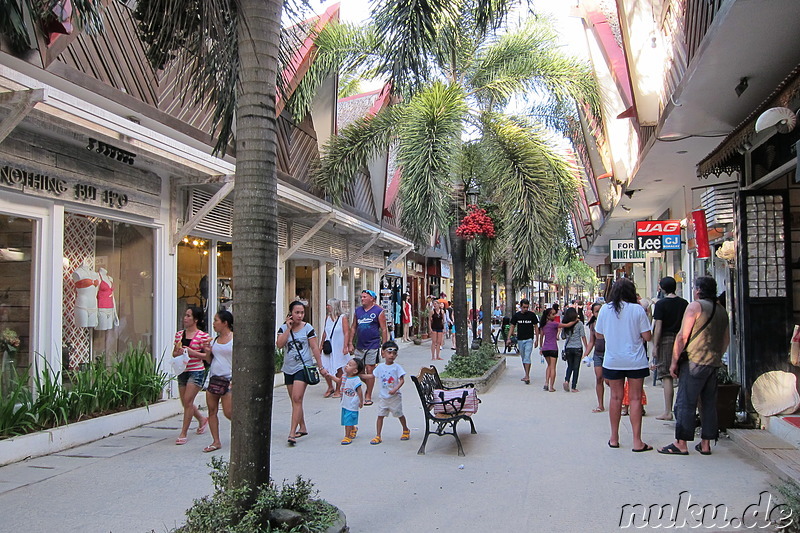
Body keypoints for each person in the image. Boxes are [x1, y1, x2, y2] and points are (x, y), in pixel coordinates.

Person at [659, 276, 729, 456]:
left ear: (698, 290)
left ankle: (681, 442)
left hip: (694, 362)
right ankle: (706, 444)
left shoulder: (695, 307)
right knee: (708, 404)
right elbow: (726, 339)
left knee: (685, 402)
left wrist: (674, 362)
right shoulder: (721, 310)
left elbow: (682, 336)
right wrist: (717, 356)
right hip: (712, 362)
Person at [595, 278, 653, 452]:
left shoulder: (605, 309)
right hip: (635, 360)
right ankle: (637, 441)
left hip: (613, 360)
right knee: (635, 399)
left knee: (615, 398)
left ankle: (614, 437)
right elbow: (647, 336)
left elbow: (598, 335)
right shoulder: (637, 310)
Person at [277, 301, 324, 446]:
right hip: (288, 368)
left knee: (297, 398)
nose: (299, 315)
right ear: (290, 313)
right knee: (294, 400)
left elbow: (314, 347)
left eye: (302, 312)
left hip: (303, 367)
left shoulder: (307, 328)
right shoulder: (284, 328)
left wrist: (320, 366)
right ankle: (302, 426)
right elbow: (279, 344)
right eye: (297, 312)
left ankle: (292, 432)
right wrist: (288, 329)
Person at [651, 276, 688, 421]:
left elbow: (658, 326)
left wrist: (656, 344)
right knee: (682, 373)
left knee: (667, 376)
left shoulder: (661, 304)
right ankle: (683, 408)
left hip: (666, 340)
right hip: (682, 339)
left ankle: (668, 411)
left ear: (663, 288)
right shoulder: (684, 303)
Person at [172, 306, 210, 446]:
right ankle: (201, 419)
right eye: (185, 315)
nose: (185, 318)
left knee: (188, 400)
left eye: (188, 316)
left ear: (195, 320)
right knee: (185, 402)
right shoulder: (179, 335)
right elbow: (174, 353)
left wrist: (192, 352)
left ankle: (183, 432)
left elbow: (207, 356)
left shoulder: (203, 336)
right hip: (182, 370)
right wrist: (179, 352)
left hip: (196, 370)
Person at [347, 289, 386, 405]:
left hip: (373, 345)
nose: (362, 299)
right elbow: (353, 327)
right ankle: (365, 384)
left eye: (365, 297)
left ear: (372, 299)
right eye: (362, 297)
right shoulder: (358, 311)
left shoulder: (378, 311)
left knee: (370, 368)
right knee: (358, 370)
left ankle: (368, 394)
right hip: (360, 345)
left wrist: (384, 346)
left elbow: (384, 329)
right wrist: (350, 343)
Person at [201, 310, 233, 453]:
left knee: (229, 412)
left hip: (229, 379)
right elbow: (209, 360)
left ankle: (243, 432)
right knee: (212, 411)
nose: (213, 324)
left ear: (225, 323)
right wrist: (207, 352)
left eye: (216, 320)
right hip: (214, 378)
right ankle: (216, 441)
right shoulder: (214, 340)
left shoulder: (234, 339)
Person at [370, 340, 411, 444]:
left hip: (395, 398)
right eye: (389, 353)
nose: (391, 355)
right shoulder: (379, 367)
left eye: (394, 353)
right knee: (380, 416)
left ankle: (405, 429)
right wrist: (359, 375)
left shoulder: (397, 367)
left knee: (399, 414)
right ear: (383, 353)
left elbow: (402, 380)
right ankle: (378, 435)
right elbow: (372, 376)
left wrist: (395, 389)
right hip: (383, 398)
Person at [325, 357, 364, 445]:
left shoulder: (356, 379)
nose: (346, 366)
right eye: (347, 364)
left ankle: (347, 436)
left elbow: (359, 391)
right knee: (346, 418)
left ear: (355, 371)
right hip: (345, 402)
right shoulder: (344, 376)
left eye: (350, 365)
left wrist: (361, 401)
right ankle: (353, 429)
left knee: (348, 419)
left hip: (352, 403)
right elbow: (338, 381)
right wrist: (330, 376)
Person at [537, 307, 578, 391]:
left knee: (548, 366)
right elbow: (566, 325)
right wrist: (575, 321)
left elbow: (541, 337)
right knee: (553, 367)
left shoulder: (543, 325)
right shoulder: (554, 324)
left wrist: (541, 348)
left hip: (545, 348)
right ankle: (551, 386)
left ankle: (546, 383)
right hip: (553, 348)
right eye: (553, 314)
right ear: (548, 316)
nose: (555, 315)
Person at [321, 298, 350, 398]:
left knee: (339, 368)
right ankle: (330, 386)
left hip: (338, 345)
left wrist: (345, 346)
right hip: (329, 346)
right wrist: (321, 344)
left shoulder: (342, 318)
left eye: (329, 305)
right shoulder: (327, 318)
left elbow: (346, 332)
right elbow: (325, 332)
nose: (327, 307)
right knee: (325, 367)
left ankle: (338, 389)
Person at [506, 298, 539, 384]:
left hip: (529, 339)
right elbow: (512, 326)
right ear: (520, 306)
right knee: (524, 357)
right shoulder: (517, 316)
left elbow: (536, 326)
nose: (525, 309)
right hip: (520, 339)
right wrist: (509, 338)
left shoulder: (532, 315)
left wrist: (537, 340)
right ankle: (526, 374)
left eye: (527, 307)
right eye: (524, 307)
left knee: (527, 356)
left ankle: (527, 376)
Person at [584, 302, 606, 412]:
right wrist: (585, 354)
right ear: (592, 313)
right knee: (599, 378)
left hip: (608, 354)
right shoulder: (592, 325)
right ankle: (600, 404)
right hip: (598, 354)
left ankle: (618, 401)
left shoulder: (609, 323)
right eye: (596, 311)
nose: (599, 313)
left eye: (600, 310)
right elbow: (591, 341)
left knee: (610, 381)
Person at [561, 307, 587, 392]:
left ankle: (566, 380)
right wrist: (587, 347)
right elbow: (583, 336)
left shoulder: (565, 324)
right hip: (577, 347)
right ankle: (574, 387)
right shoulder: (579, 324)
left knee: (569, 366)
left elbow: (563, 336)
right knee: (576, 368)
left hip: (568, 347)